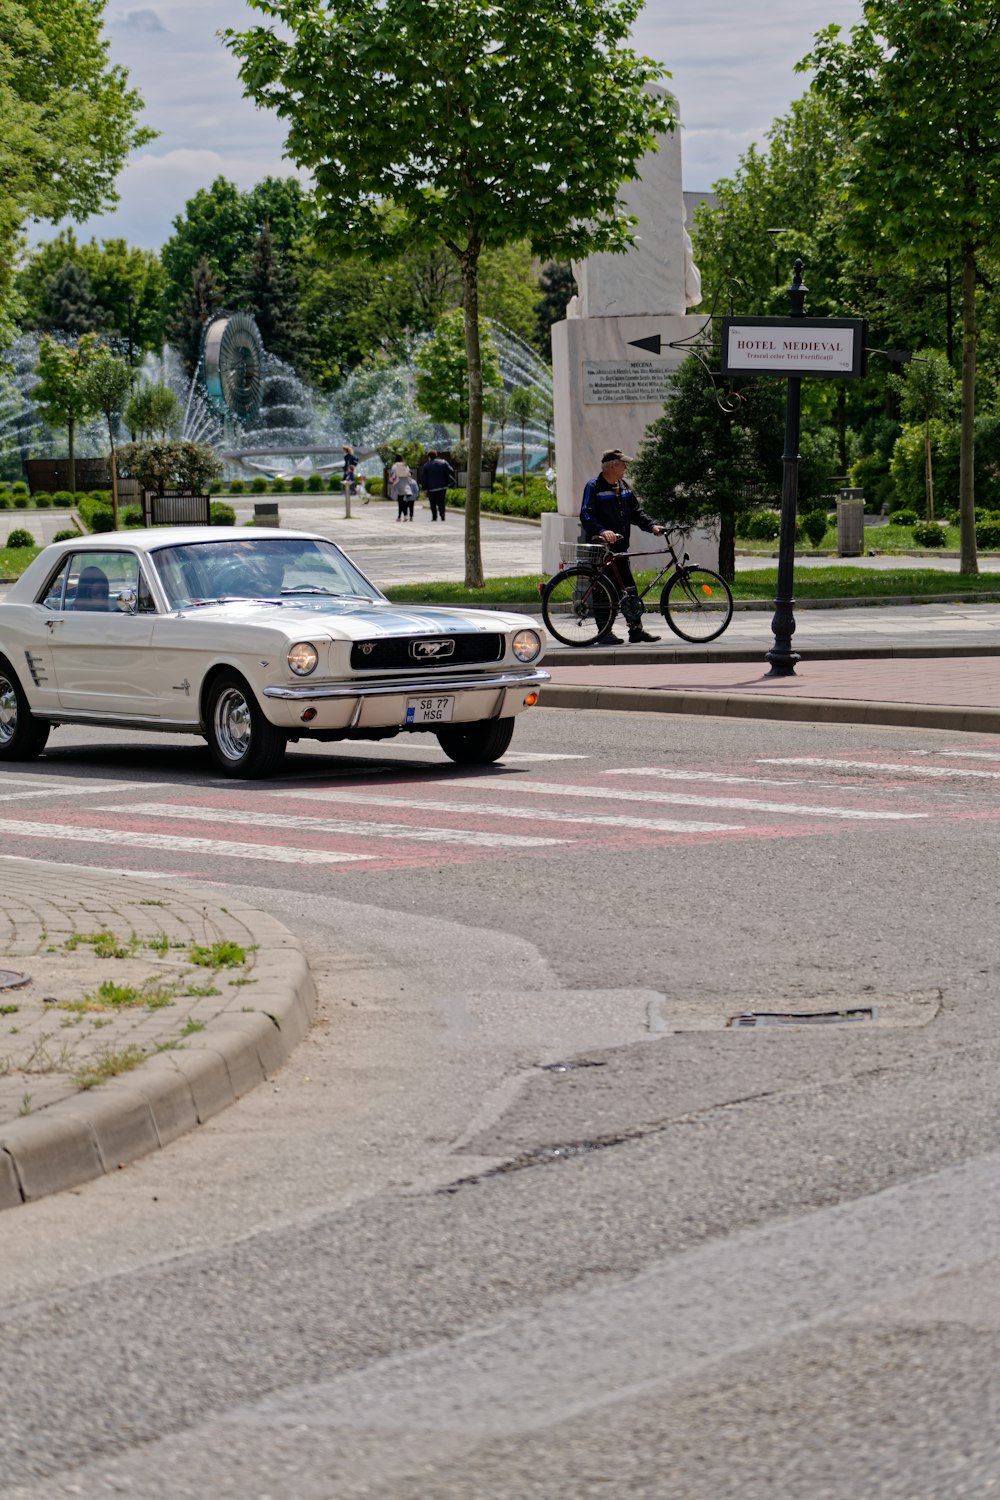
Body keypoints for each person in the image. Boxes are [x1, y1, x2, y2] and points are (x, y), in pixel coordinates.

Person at [579, 447, 664, 644]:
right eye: (623, 464)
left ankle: (636, 631)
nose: (626, 467)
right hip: (602, 549)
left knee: (629, 589)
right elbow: (586, 514)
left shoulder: (623, 487)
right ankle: (604, 633)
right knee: (605, 592)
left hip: (619, 549)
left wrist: (652, 526)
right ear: (612, 466)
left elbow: (636, 512)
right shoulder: (594, 487)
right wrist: (601, 531)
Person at [421, 448, 455, 521]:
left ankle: (434, 517)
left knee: (432, 502)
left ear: (429, 457)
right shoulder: (443, 462)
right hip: (442, 486)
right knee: (441, 501)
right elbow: (451, 470)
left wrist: (424, 489)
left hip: (431, 488)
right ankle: (442, 515)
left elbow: (424, 478)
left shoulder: (426, 466)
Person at [389, 454, 413, 521]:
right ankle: (404, 515)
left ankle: (401, 516)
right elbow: (409, 474)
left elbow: (392, 474)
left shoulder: (394, 466)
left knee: (400, 501)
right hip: (405, 483)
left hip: (398, 482)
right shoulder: (405, 465)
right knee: (403, 501)